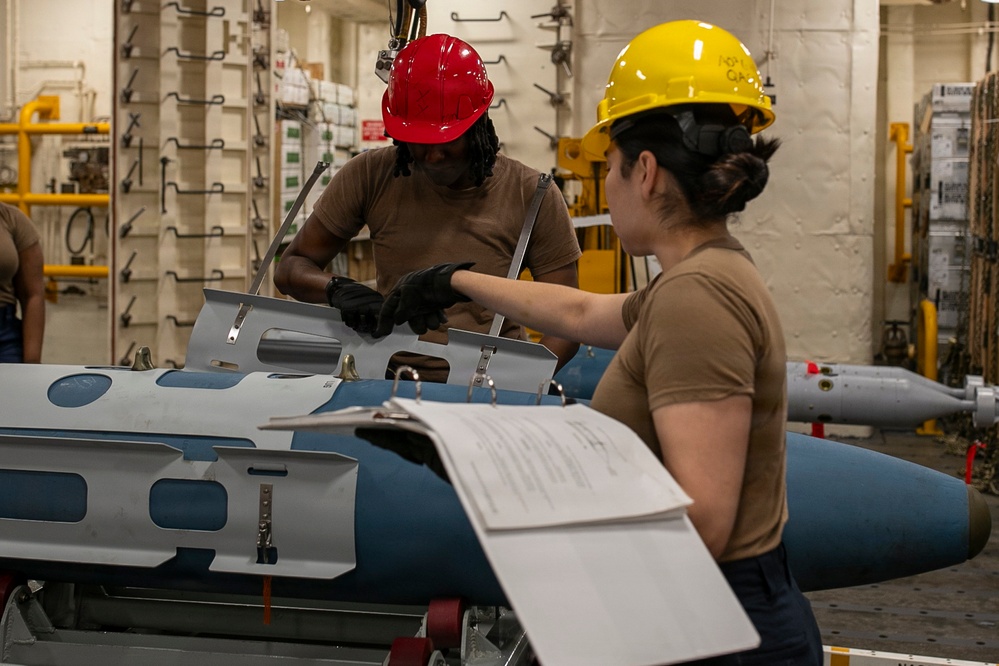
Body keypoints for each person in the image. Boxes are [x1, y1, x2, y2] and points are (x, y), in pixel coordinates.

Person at [375, 20, 822, 665]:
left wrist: (500, 477)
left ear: (645, 171)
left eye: (608, 165)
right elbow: (585, 310)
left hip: (717, 624)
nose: (604, 184)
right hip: (712, 608)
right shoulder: (700, 275)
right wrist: (454, 279)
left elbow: (703, 521)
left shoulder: (698, 298)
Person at [273, 33, 582, 383]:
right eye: (419, 142)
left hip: (489, 386)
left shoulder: (532, 194)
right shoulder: (370, 175)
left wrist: (521, 385)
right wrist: (336, 289)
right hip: (385, 379)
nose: (433, 156)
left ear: (478, 125)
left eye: (449, 140)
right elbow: (290, 269)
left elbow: (568, 320)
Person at [0, 202, 44, 363]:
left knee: (11, 388)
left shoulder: (11, 219)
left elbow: (32, 295)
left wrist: (32, 362)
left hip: (4, 336)